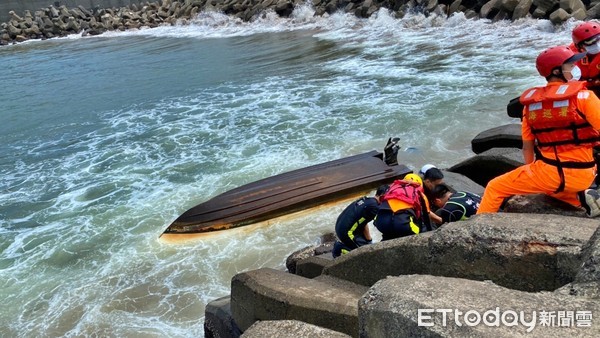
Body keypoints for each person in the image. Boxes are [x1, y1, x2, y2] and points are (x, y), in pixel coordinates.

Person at [477, 45, 600, 216]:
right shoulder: (584, 97)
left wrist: (529, 171)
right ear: (557, 71)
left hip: (549, 174)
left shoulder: (531, 106)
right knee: (555, 189)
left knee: (495, 187)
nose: (576, 68)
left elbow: (527, 148)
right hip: (585, 174)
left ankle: (479, 224)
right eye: (571, 65)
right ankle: (582, 198)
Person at [332, 184, 389, 258]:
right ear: (382, 196)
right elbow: (380, 224)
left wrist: (369, 240)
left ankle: (351, 244)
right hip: (346, 232)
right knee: (361, 254)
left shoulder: (369, 200)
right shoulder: (374, 207)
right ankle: (339, 247)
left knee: (367, 248)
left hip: (341, 226)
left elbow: (363, 222)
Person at [374, 173, 432, 240]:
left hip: (380, 223)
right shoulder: (419, 193)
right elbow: (426, 218)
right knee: (419, 230)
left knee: (389, 233)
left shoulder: (392, 188)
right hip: (402, 224)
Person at [572, 21, 600, 94]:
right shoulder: (570, 57)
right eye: (590, 43)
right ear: (579, 46)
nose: (596, 45)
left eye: (599, 40)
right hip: (584, 92)